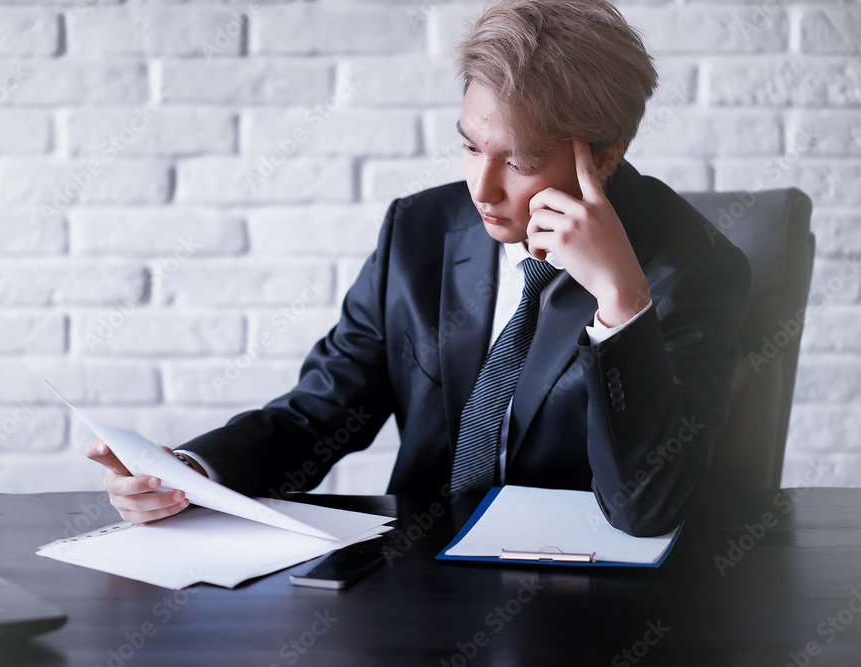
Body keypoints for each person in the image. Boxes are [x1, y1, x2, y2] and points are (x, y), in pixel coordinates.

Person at [86, 0, 750, 537]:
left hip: (582, 606)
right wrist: (188, 472)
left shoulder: (695, 268)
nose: (480, 188)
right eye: (468, 146)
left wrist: (620, 300)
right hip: (415, 577)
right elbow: (317, 414)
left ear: (604, 158)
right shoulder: (420, 231)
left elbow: (648, 508)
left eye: (518, 162)